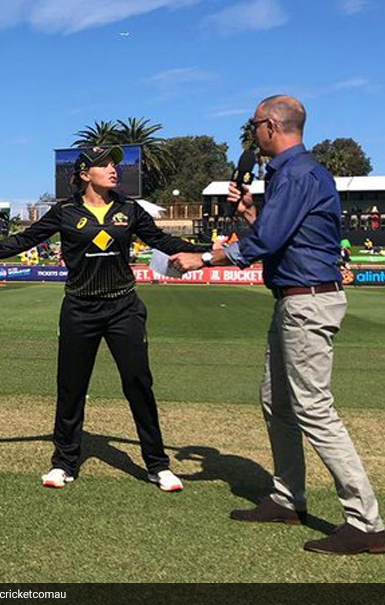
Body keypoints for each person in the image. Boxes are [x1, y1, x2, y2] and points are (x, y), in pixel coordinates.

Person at [170, 95, 385, 555]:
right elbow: (279, 233)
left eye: (254, 127)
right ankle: (288, 498)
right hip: (295, 301)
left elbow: (267, 241)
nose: (252, 136)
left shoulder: (298, 173)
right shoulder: (293, 174)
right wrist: (250, 212)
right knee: (277, 402)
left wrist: (202, 258)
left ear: (270, 126)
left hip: (307, 303)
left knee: (314, 409)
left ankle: (365, 522)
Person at [0, 146, 208, 491]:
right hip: (80, 309)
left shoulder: (129, 209)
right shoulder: (65, 211)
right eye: (105, 165)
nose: (114, 169)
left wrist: (205, 252)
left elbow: (161, 239)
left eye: (115, 163)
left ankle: (157, 465)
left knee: (138, 384)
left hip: (123, 307)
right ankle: (64, 462)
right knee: (71, 387)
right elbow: (25, 239)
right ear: (85, 174)